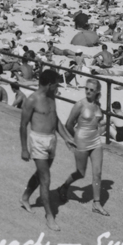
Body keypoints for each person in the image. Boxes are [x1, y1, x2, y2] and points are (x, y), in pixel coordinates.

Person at [19, 70, 76, 231]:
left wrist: (67, 138)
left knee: (40, 174)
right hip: (38, 140)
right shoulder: (32, 100)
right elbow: (23, 125)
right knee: (46, 178)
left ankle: (25, 197)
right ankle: (49, 216)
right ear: (50, 84)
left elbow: (54, 119)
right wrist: (24, 148)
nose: (58, 86)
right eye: (56, 83)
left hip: (52, 140)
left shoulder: (52, 97)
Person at [58, 79, 110, 217]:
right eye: (86, 88)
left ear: (97, 91)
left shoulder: (98, 105)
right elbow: (68, 124)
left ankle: (96, 204)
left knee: (97, 173)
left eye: (92, 90)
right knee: (81, 173)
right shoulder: (79, 104)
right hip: (81, 140)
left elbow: (99, 121)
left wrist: (98, 130)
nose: (88, 91)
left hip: (95, 140)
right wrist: (74, 139)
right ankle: (64, 187)